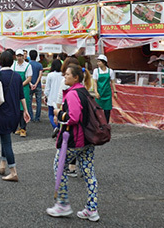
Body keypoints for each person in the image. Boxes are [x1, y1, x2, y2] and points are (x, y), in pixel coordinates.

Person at [47, 64, 100, 222]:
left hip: (74, 140)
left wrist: (58, 113)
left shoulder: (72, 94)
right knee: (89, 173)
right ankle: (92, 209)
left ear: (75, 77)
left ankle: (62, 204)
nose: (65, 77)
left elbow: (73, 117)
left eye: (68, 74)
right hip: (88, 139)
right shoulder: (84, 91)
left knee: (59, 167)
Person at [0, 50, 31, 182]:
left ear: (0, 61)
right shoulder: (17, 76)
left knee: (6, 141)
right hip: (14, 112)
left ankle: (13, 171)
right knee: (4, 136)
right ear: (12, 61)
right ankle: (2, 165)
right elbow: (21, 95)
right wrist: (25, 110)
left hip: (2, 112)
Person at [11, 49, 33, 137]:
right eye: (18, 56)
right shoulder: (13, 65)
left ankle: (23, 128)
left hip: (24, 89)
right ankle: (19, 127)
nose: (19, 57)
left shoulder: (28, 65)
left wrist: (20, 85)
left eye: (21, 55)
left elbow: (29, 78)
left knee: (24, 108)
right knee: (17, 108)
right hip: (15, 89)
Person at [94, 54, 117, 123]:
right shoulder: (96, 71)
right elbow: (95, 82)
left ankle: (106, 124)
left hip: (107, 94)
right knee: (98, 110)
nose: (98, 63)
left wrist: (115, 92)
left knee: (107, 111)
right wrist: (96, 92)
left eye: (99, 61)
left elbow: (112, 82)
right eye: (97, 62)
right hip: (99, 93)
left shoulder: (110, 71)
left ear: (104, 62)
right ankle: (98, 124)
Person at [44, 59, 64, 132]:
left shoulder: (50, 75)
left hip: (51, 98)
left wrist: (45, 96)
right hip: (60, 98)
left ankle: (55, 127)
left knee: (51, 114)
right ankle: (58, 127)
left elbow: (47, 87)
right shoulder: (63, 75)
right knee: (59, 114)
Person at [28, 50, 44, 122]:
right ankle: (37, 117)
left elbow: (27, 76)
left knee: (29, 101)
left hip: (29, 85)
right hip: (38, 86)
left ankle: (31, 116)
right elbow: (40, 76)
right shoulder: (39, 65)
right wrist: (36, 84)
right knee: (39, 101)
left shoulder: (28, 64)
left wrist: (31, 84)